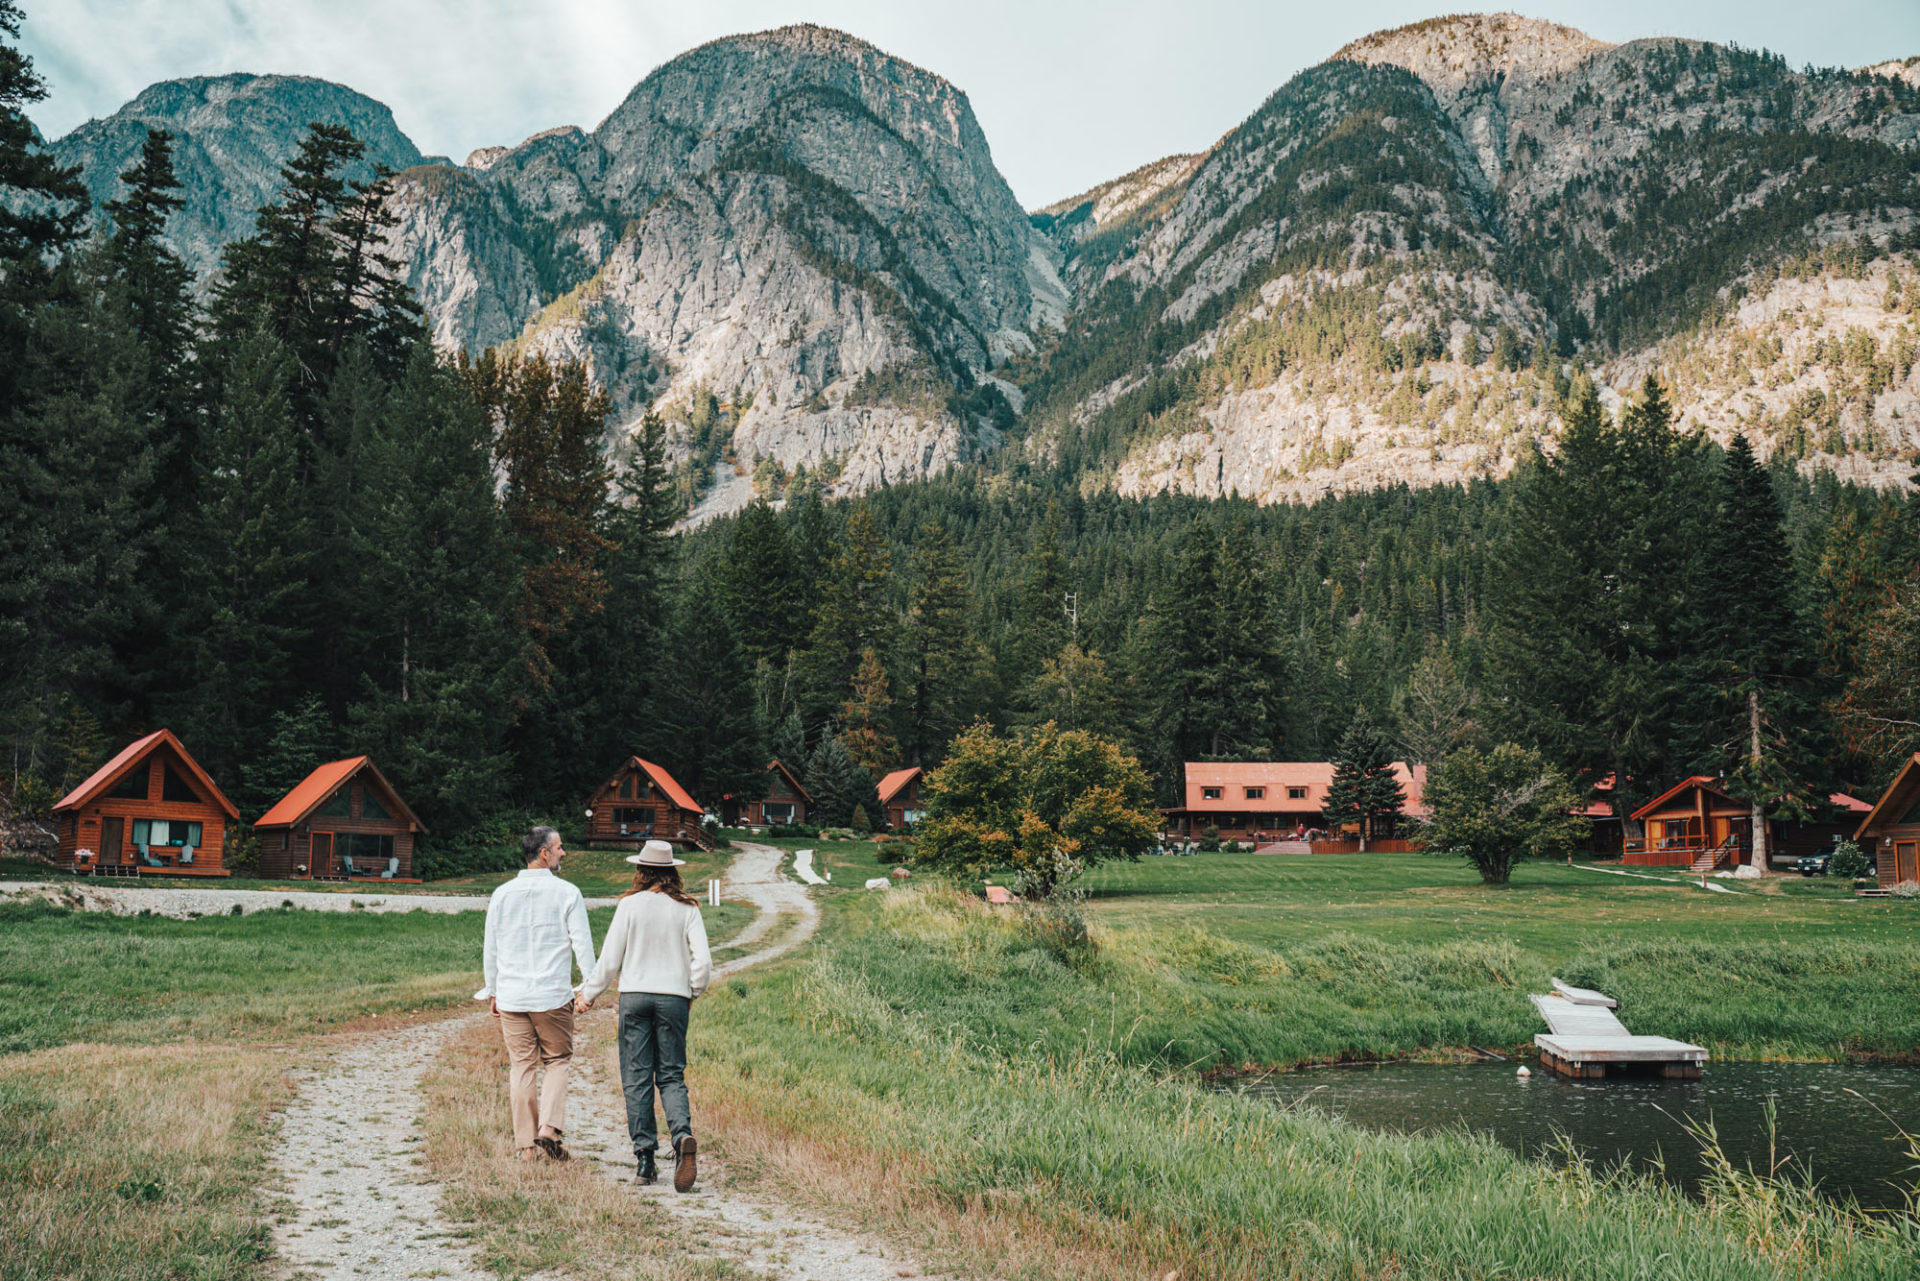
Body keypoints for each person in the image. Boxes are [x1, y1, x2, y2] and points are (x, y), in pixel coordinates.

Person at [578, 838, 711, 1191]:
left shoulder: (629, 906)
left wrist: (588, 995)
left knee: (636, 1077)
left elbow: (609, 960)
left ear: (641, 870)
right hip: (673, 999)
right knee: (670, 1074)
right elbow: (704, 962)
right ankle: (682, 1135)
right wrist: (691, 992)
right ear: (672, 873)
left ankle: (644, 1161)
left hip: (634, 997)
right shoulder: (687, 909)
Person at [477, 825, 596, 1162]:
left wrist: (494, 990)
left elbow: (492, 947)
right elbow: (582, 944)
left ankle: (526, 1148)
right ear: (544, 853)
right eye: (559, 847)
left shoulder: (502, 894)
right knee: (557, 1061)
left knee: (522, 1067)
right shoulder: (568, 893)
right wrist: (590, 985)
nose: (563, 853)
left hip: (513, 996)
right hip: (552, 996)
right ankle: (549, 1129)